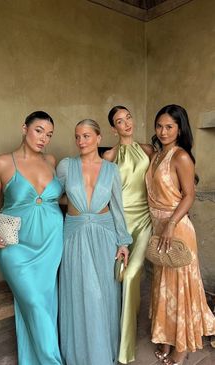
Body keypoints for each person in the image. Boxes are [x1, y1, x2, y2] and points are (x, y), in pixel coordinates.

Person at [0, 111, 63, 365]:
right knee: (35, 303)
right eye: (39, 130)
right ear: (24, 127)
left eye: (48, 135)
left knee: (45, 304)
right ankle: (52, 361)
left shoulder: (51, 160)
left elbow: (61, 197)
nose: (43, 139)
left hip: (51, 243)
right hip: (15, 243)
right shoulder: (2, 163)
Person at [56, 119, 132, 365]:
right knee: (78, 292)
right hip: (74, 234)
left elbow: (118, 208)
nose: (81, 141)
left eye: (87, 136)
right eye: (77, 136)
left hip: (105, 234)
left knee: (103, 294)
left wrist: (123, 242)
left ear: (99, 138)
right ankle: (78, 354)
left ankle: (101, 354)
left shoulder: (112, 170)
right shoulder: (66, 166)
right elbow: (51, 198)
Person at [145, 104, 215, 365]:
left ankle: (182, 347)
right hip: (158, 225)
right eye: (159, 126)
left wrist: (172, 223)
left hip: (177, 228)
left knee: (180, 287)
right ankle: (164, 335)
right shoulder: (157, 154)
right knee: (163, 285)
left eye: (169, 127)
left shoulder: (181, 156)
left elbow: (189, 195)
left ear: (179, 128)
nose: (163, 131)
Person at [103, 105, 153, 363]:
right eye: (120, 121)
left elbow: (162, 180)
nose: (126, 123)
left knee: (132, 274)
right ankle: (112, 330)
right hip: (118, 222)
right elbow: (99, 190)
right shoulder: (109, 155)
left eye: (128, 117)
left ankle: (126, 350)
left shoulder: (147, 150)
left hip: (144, 221)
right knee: (118, 276)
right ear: (114, 128)